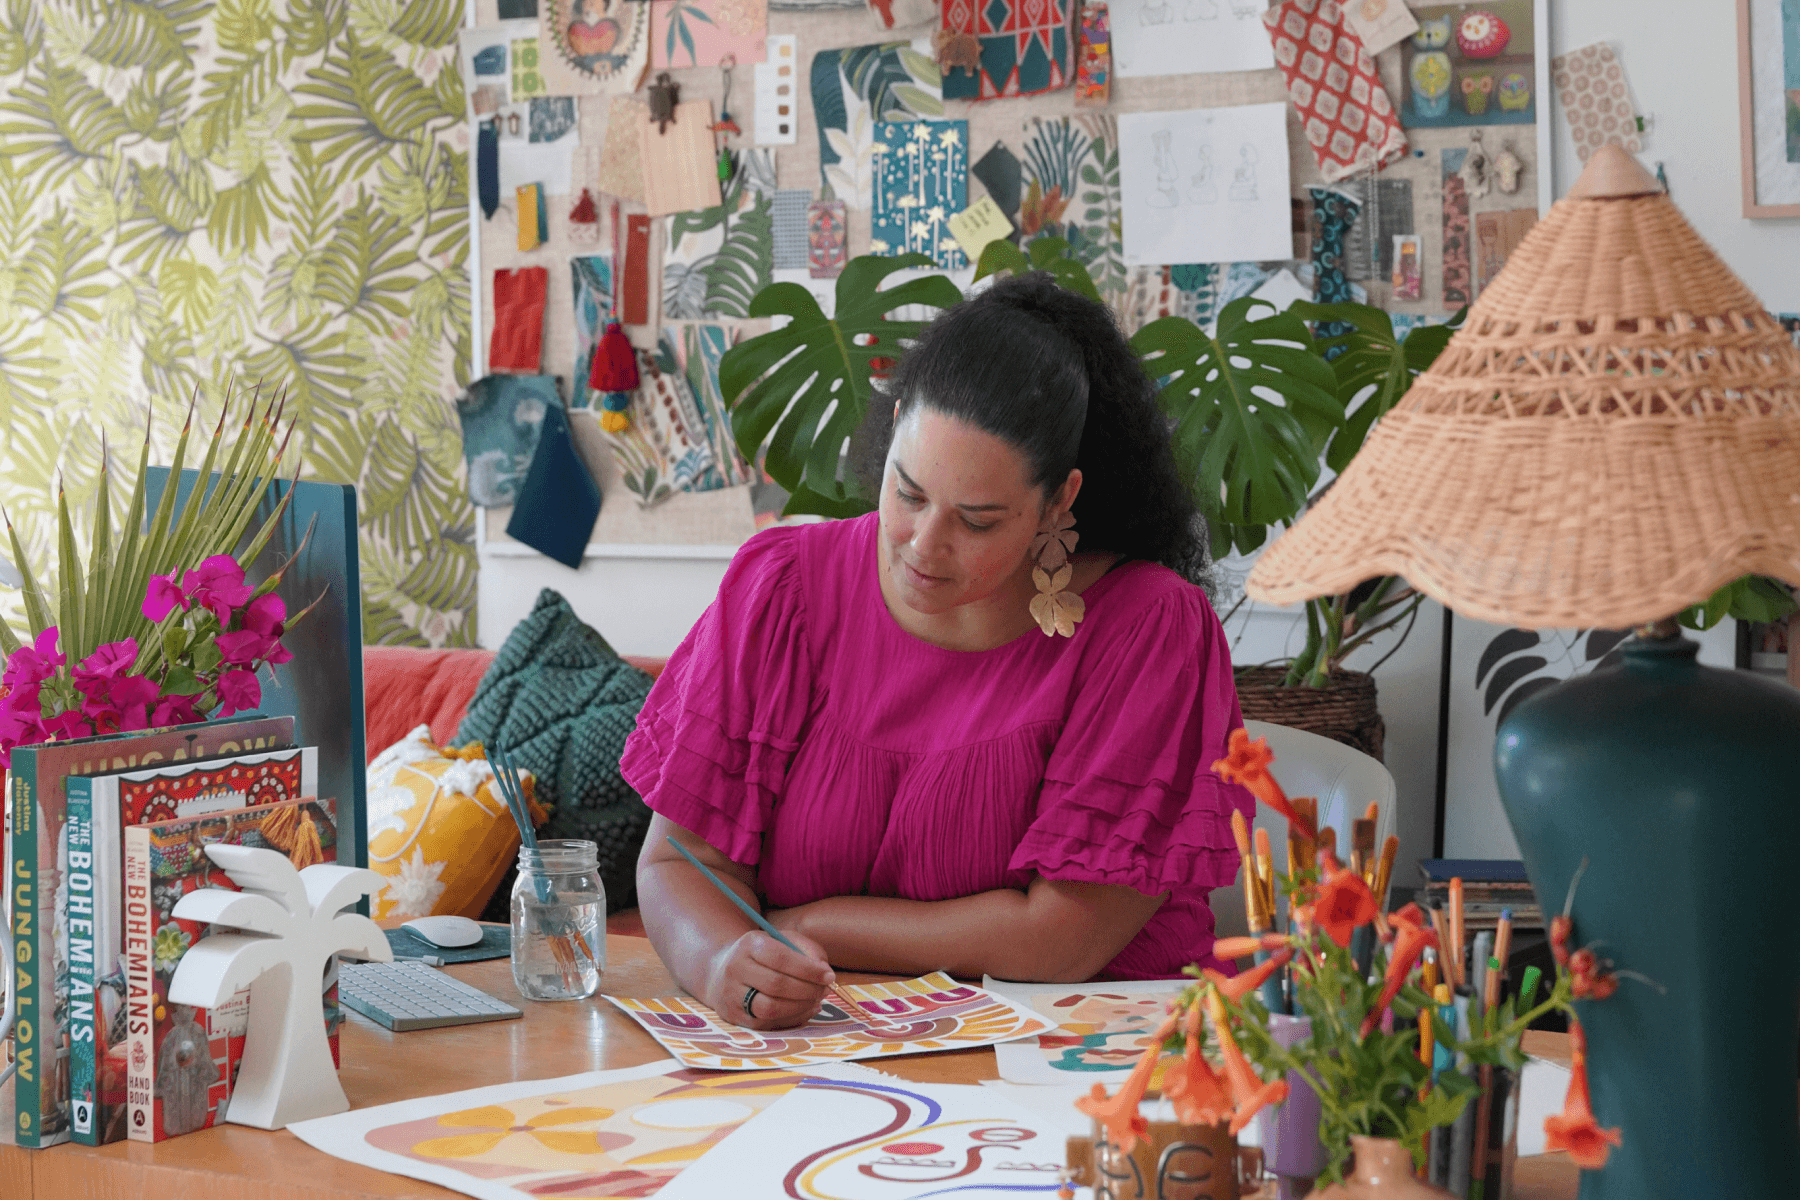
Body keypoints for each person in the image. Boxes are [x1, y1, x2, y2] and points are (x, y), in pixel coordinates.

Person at [625, 272, 1253, 1031]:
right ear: (892, 434)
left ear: (1060, 501)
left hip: (1086, 1061)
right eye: (909, 493)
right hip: (822, 1058)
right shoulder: (783, 588)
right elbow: (680, 863)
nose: (924, 546)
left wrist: (815, 927)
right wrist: (721, 961)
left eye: (978, 521)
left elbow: (1061, 939)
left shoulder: (1148, 630)